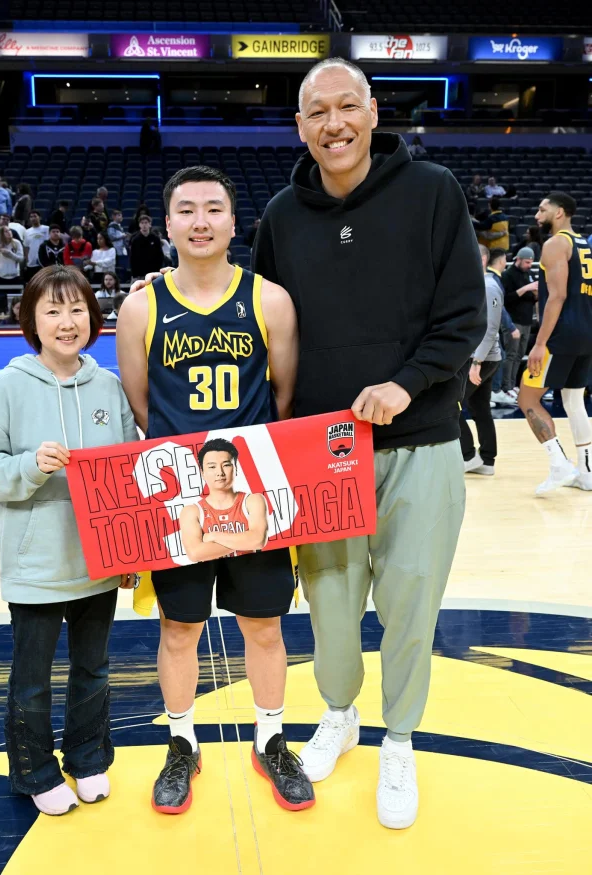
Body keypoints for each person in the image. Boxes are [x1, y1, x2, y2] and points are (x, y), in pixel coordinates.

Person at [250, 58, 485, 830]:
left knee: (411, 600)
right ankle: (341, 714)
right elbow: (265, 329)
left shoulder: (433, 191)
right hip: (323, 452)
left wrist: (407, 383)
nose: (335, 123)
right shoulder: (281, 217)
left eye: (348, 106)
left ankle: (400, 739)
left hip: (421, 439)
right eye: (318, 112)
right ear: (300, 126)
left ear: (374, 112)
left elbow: (464, 314)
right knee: (330, 605)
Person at [118, 165, 313, 814]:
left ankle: (271, 740)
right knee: (179, 627)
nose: (200, 221)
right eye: (186, 210)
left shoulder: (270, 300)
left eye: (213, 209)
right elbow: (142, 408)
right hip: (179, 499)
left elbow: (283, 398)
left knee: (264, 625)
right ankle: (182, 744)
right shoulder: (141, 307)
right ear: (166, 223)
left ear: (234, 222)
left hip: (252, 492)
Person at [0, 265, 138, 817]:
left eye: (77, 309)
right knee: (32, 680)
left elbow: (127, 477)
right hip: (35, 564)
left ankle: (87, 758)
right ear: (32, 321)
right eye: (53, 310)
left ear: (93, 317)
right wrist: (29, 466)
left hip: (99, 560)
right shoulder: (8, 384)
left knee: (93, 668)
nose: (67, 322)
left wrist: (130, 551)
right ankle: (35, 771)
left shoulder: (108, 386)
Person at [518, 192, 592, 494]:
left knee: (527, 399)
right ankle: (587, 473)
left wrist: (539, 343)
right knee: (574, 401)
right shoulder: (585, 243)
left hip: (561, 335)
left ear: (559, 213)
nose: (537, 215)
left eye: (542, 209)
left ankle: (559, 464)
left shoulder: (555, 244)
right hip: (586, 332)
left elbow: (558, 296)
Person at [461, 245, 507, 476]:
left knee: (451, 405)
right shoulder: (478, 284)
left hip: (483, 359)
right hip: (482, 358)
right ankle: (487, 461)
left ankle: (468, 456)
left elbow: (491, 329)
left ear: (481, 259)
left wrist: (476, 362)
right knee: (480, 409)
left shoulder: (488, 287)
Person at [501, 247, 538, 397]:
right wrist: (526, 288)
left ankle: (512, 384)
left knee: (520, 354)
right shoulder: (507, 275)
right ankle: (506, 386)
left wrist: (536, 293)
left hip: (527, 320)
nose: (529, 265)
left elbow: (532, 298)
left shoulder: (529, 274)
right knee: (511, 354)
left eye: (531, 262)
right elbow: (506, 299)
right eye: (527, 262)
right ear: (518, 259)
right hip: (513, 320)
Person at [23, 210, 50, 282]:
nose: (33, 218)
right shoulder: (27, 232)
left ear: (40, 217)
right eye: (31, 217)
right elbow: (26, 247)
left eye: (35, 216)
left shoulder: (47, 229)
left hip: (45, 262)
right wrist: (27, 260)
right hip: (32, 262)